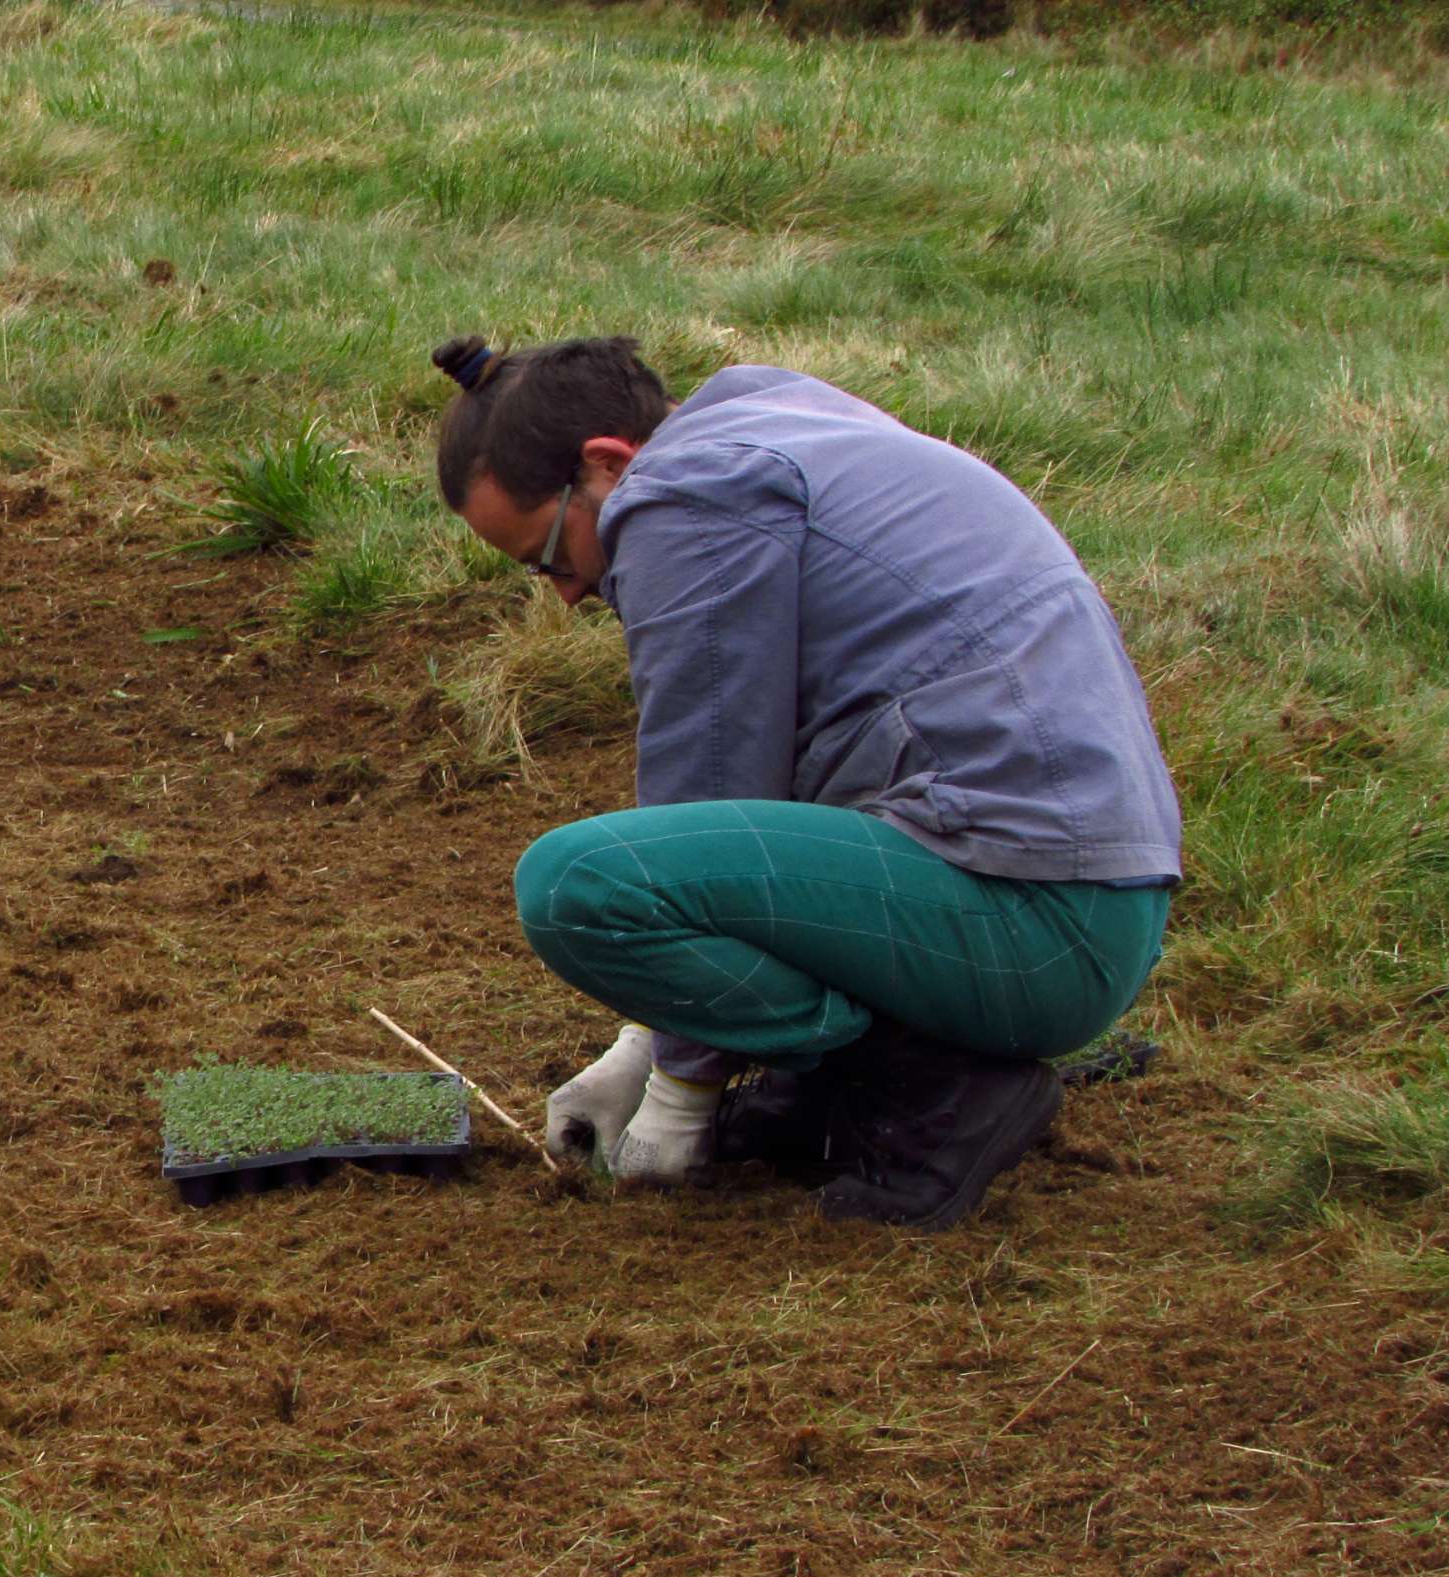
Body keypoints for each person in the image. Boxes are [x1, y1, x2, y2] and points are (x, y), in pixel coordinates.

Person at [430, 334, 1181, 1230]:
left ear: (605, 463)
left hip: (1032, 925)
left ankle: (935, 1088)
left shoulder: (684, 498)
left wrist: (680, 1082)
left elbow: (701, 801)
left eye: (549, 556)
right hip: (1087, 907)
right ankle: (835, 1091)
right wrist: (649, 1034)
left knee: (580, 886)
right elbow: (753, 823)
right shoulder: (778, 423)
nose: (564, 595)